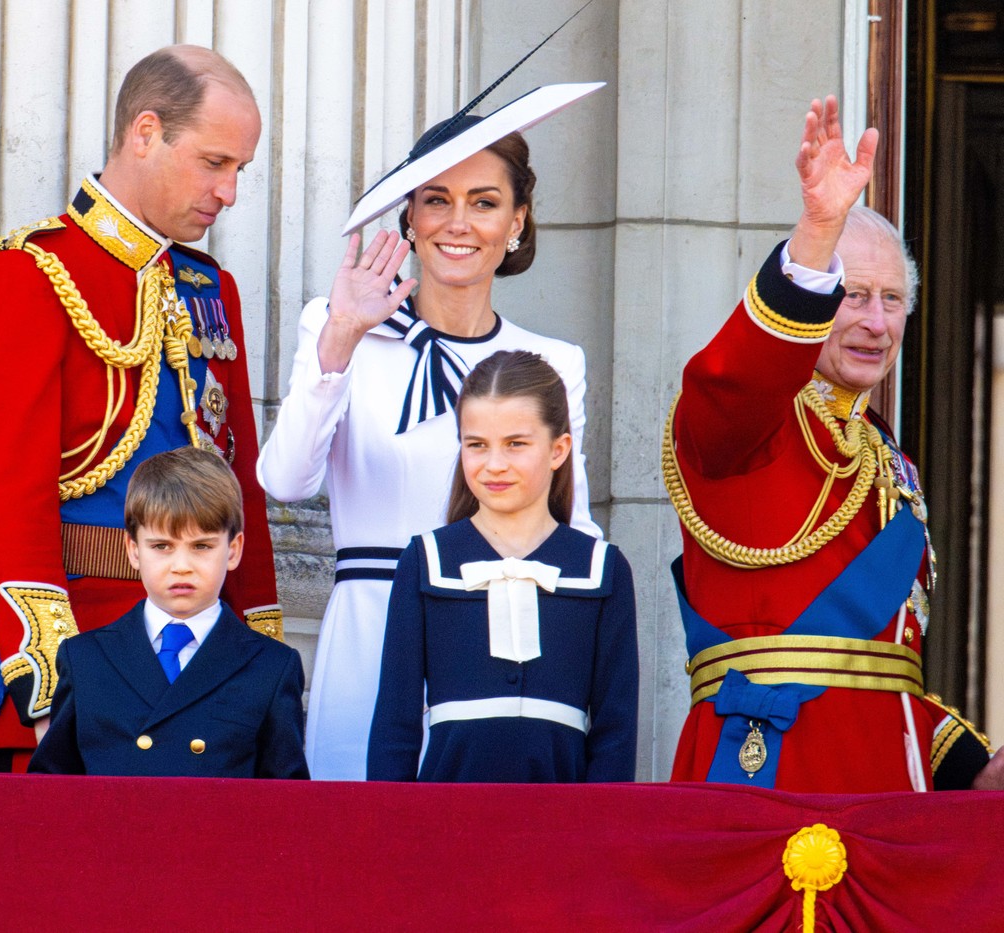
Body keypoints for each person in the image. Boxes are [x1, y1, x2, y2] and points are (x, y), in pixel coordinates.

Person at [0, 45, 282, 772]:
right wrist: (50, 683)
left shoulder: (208, 288)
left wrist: (260, 655)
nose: (229, 192)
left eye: (239, 171)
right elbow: (4, 500)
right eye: (215, 163)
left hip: (212, 673)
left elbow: (240, 486)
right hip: (81, 657)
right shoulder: (28, 274)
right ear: (146, 132)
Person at [665, 96, 1004, 791]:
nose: (875, 322)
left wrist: (978, 768)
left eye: (890, 300)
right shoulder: (752, 425)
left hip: (885, 791)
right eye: (850, 296)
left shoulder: (889, 460)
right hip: (767, 777)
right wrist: (818, 232)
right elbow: (735, 379)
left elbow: (881, 673)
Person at [259, 107, 602, 781]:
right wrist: (340, 341)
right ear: (409, 219)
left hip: (498, 635)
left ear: (517, 221)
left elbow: (573, 527)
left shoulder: (549, 360)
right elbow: (285, 481)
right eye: (436, 200)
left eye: (484, 202)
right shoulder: (341, 328)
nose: (458, 222)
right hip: (371, 626)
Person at [368, 351, 636, 782]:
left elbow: (615, 734)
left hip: (562, 822)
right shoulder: (424, 560)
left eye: (516, 444)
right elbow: (393, 728)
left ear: (558, 449)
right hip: (446, 818)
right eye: (477, 445)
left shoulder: (603, 568)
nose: (494, 464)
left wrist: (597, 839)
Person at [28, 447, 308, 778]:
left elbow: (285, 804)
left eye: (201, 547)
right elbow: (52, 791)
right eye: (161, 547)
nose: (181, 567)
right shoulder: (85, 659)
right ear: (133, 551)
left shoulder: (271, 667)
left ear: (233, 551)